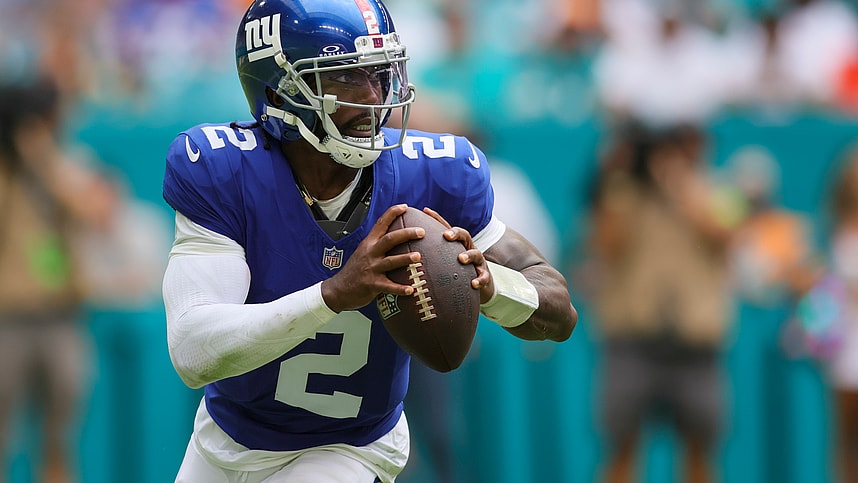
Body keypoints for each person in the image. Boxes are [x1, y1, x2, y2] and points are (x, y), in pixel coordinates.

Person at [160, 1, 578, 482]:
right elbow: (194, 352)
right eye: (345, 78)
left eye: (380, 75)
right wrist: (333, 294)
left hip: (351, 446)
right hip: (228, 438)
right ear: (280, 91)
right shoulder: (225, 170)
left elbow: (559, 311)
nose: (373, 96)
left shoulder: (435, 174)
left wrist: (492, 287)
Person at [584, 123, 737, 483]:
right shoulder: (623, 195)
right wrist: (619, 179)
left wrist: (680, 183)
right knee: (620, 447)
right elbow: (607, 246)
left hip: (696, 338)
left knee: (701, 450)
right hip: (632, 335)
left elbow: (725, 233)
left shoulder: (716, 190)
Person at [0, 74, 116, 483]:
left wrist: (43, 159)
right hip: (8, 319)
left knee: (58, 440)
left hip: (63, 318)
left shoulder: (66, 163)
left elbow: (99, 213)